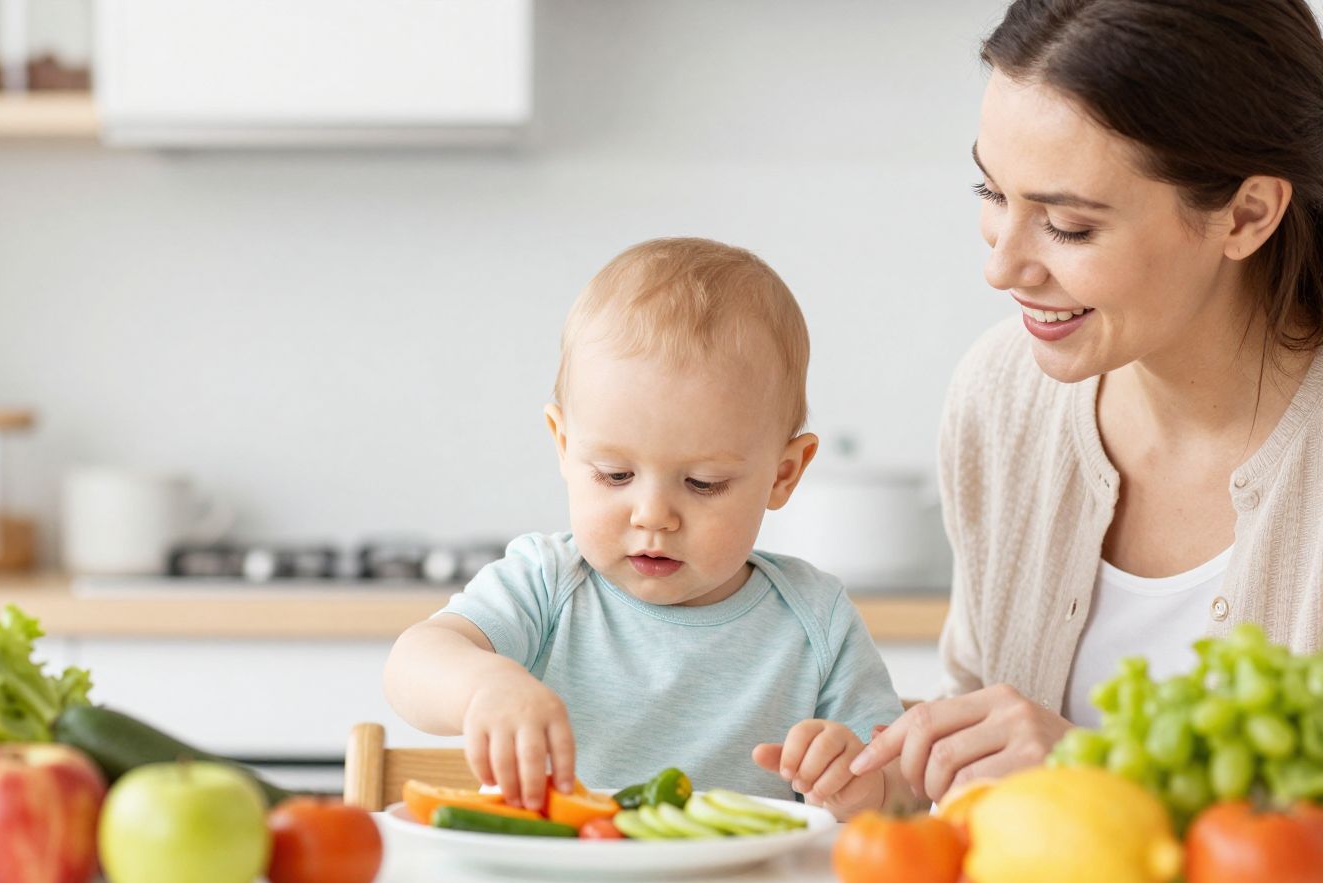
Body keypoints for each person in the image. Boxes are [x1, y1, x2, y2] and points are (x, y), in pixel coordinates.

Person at [849, 0, 1323, 804]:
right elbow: (976, 733)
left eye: (1067, 225)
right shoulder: (1002, 398)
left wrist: (1107, 771)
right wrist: (896, 769)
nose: (1002, 268)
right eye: (991, 192)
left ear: (1246, 215)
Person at [383, 237, 912, 817]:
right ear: (564, 445)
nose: (653, 515)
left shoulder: (817, 618)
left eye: (704, 483)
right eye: (615, 475)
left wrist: (858, 782)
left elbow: (901, 794)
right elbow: (412, 665)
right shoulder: (546, 585)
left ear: (784, 474)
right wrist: (482, 687)